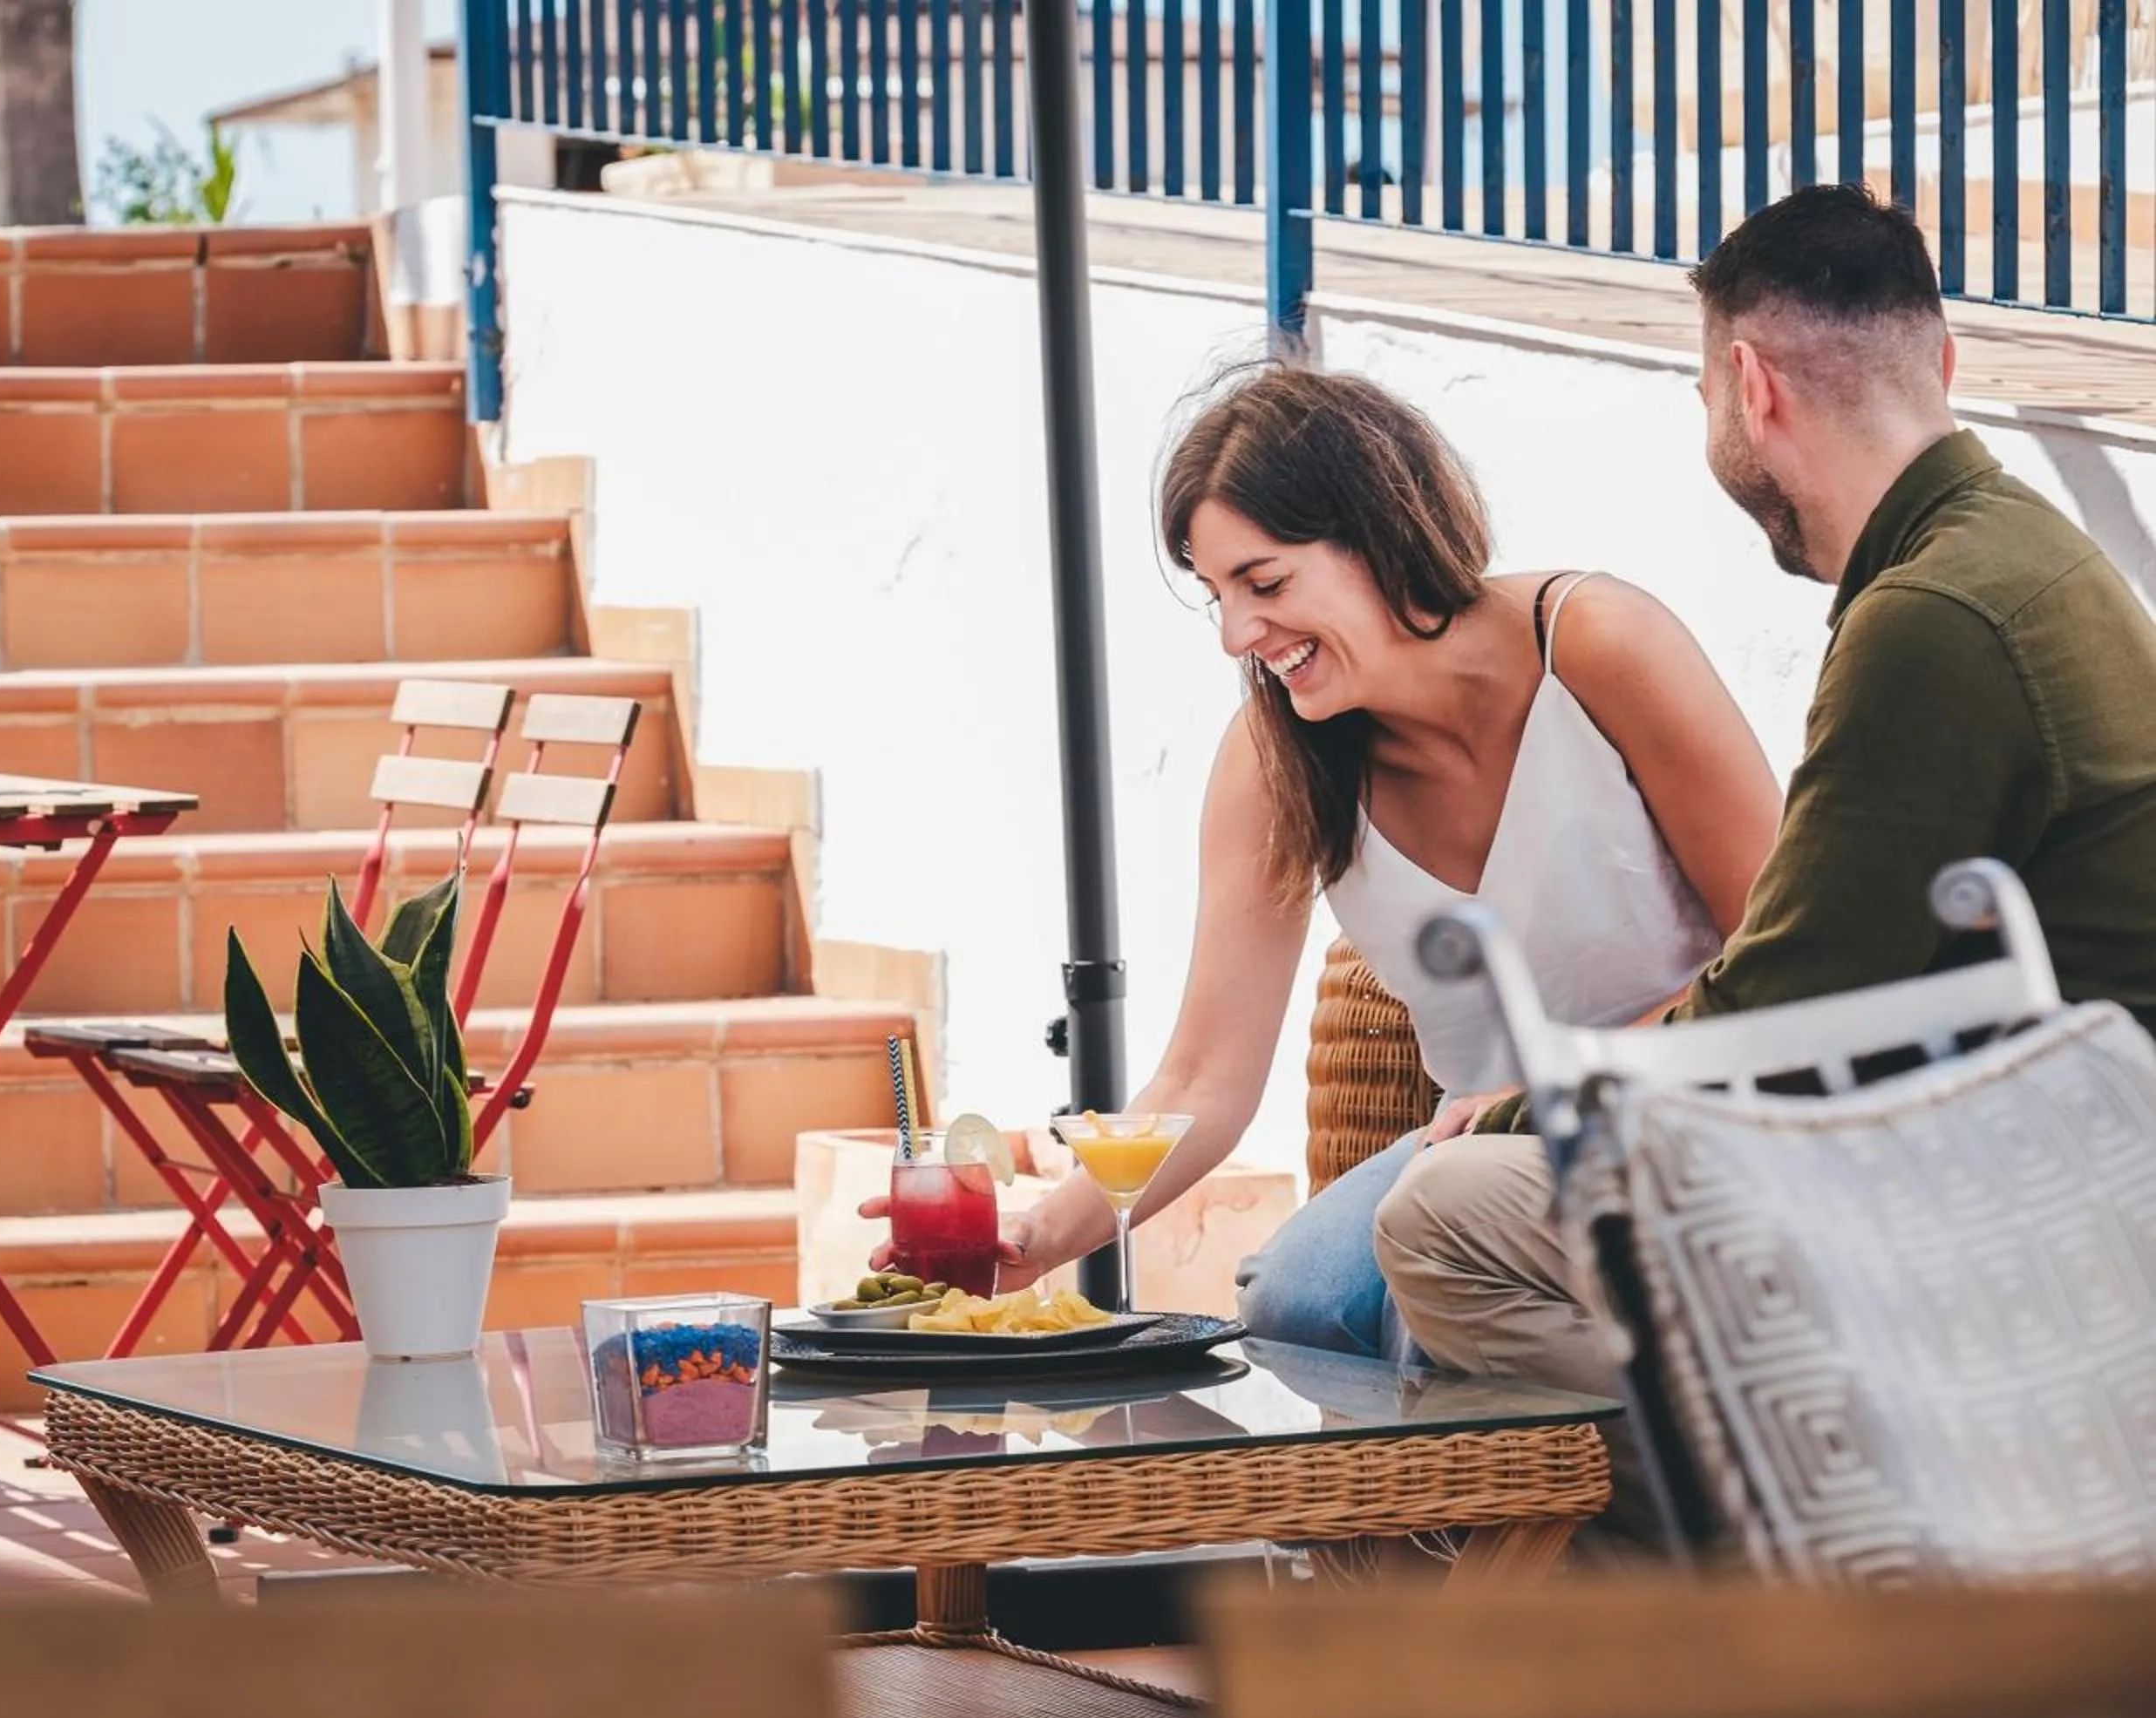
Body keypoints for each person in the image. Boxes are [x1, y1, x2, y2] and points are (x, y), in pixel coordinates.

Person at [1375, 184, 2156, 1435]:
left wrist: (1519, 1108)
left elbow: (1786, 1022)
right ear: (1943, 361)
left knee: (1443, 1216)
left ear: (1752, 387)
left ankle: (1841, 1500)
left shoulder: (1933, 620)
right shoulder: (2023, 555)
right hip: (2040, 1166)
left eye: (1703, 403)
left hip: (2044, 1228)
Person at [860, 363, 1783, 1350]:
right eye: (1215, 593)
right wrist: (1039, 1232)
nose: (1235, 635)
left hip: (1704, 1099)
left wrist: (1541, 1097)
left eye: (1264, 583)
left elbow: (1785, 952)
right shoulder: (1276, 759)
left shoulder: (1600, 645)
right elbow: (1206, 1074)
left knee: (1420, 1314)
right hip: (1471, 1149)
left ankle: (1553, 1494)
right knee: (1295, 1307)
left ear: (1382, 532)